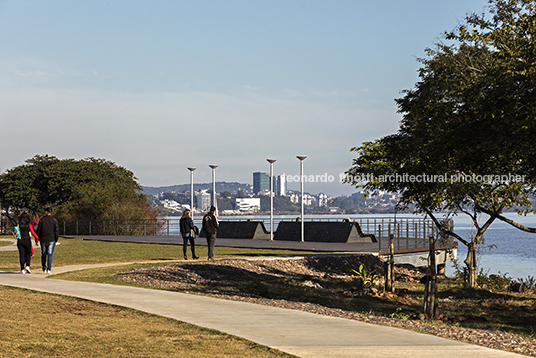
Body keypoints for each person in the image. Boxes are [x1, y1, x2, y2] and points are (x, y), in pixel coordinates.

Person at [36, 206, 59, 274]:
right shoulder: (54, 220)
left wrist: (39, 238)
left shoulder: (42, 220)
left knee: (43, 253)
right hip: (51, 239)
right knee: (49, 254)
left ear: (46, 212)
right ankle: (49, 268)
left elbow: (38, 230)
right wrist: (56, 239)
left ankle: (44, 267)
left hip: (43, 239)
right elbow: (56, 231)